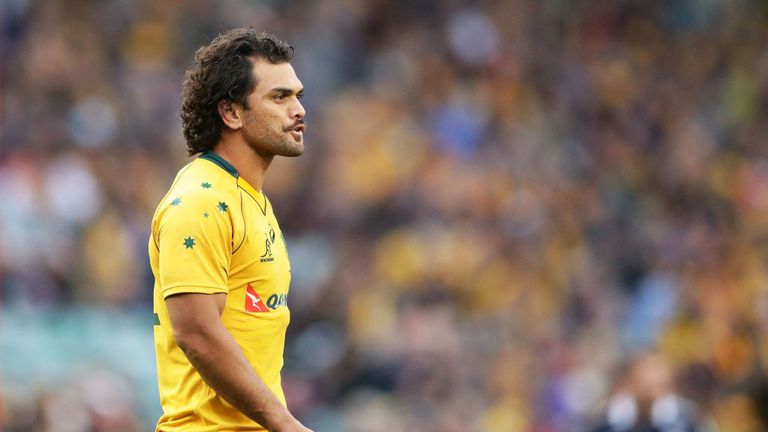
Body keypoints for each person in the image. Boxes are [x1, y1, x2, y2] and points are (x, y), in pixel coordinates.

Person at [149, 29, 311, 432]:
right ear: (231, 113)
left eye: (297, 96)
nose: (298, 110)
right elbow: (195, 331)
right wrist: (285, 423)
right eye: (279, 97)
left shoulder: (250, 199)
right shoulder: (200, 201)